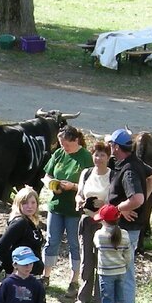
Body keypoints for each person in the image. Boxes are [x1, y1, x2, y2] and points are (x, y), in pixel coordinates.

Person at [106, 128, 152, 303]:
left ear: (117, 147)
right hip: (128, 227)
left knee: (125, 273)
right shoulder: (134, 162)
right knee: (123, 271)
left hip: (126, 229)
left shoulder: (128, 170)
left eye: (112, 145)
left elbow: (137, 198)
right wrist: (137, 203)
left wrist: (120, 208)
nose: (110, 147)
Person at [40, 125, 92, 293]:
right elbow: (47, 175)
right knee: (51, 241)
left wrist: (74, 187)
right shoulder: (59, 153)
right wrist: (51, 184)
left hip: (74, 209)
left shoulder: (86, 158)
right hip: (56, 205)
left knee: (74, 244)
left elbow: (91, 185)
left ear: (76, 140)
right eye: (61, 143)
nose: (63, 147)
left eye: (66, 144)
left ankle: (74, 280)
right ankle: (45, 275)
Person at [71, 139, 114, 303]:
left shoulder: (113, 175)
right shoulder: (86, 173)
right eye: (96, 155)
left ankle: (100, 298)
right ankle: (83, 297)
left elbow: (114, 199)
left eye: (102, 155)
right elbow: (79, 194)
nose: (98, 158)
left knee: (102, 260)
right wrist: (79, 200)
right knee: (86, 259)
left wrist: (103, 205)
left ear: (108, 157)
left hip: (104, 224)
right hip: (87, 220)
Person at [93, 204, 131, 303]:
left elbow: (96, 245)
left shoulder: (100, 235)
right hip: (121, 271)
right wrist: (124, 265)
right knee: (118, 301)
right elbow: (128, 256)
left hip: (106, 273)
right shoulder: (125, 235)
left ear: (103, 221)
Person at [0, 186, 44, 277]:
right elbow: (1, 248)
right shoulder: (20, 223)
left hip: (31, 275)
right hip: (20, 277)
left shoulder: (31, 221)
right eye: (25, 203)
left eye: (33, 202)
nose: (30, 206)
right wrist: (13, 268)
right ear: (18, 204)